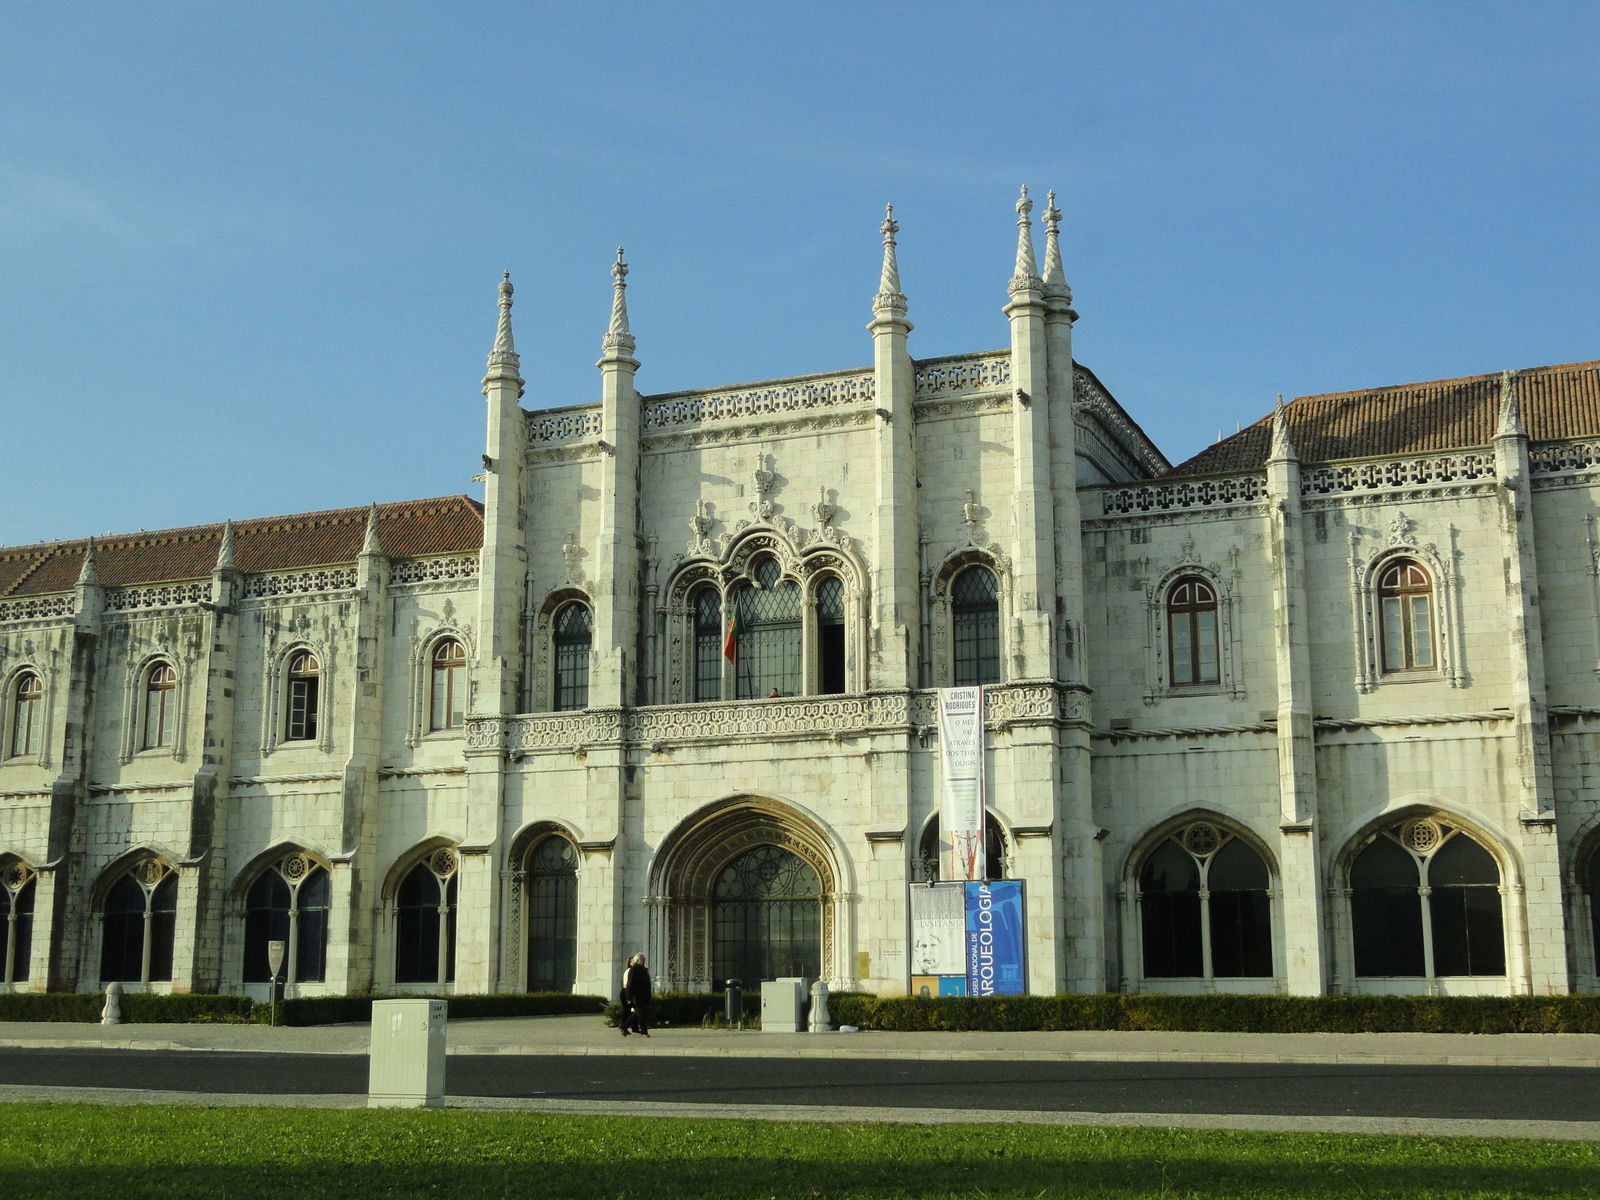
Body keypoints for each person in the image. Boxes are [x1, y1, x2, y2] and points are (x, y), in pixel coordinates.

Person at [621, 952, 652, 1037]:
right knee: (641, 1014)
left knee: (637, 1013)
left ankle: (624, 1026)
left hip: (643, 996)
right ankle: (644, 1032)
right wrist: (629, 996)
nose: (644, 961)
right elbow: (630, 984)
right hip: (637, 996)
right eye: (643, 960)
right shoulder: (634, 970)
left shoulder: (643, 970)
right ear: (638, 960)